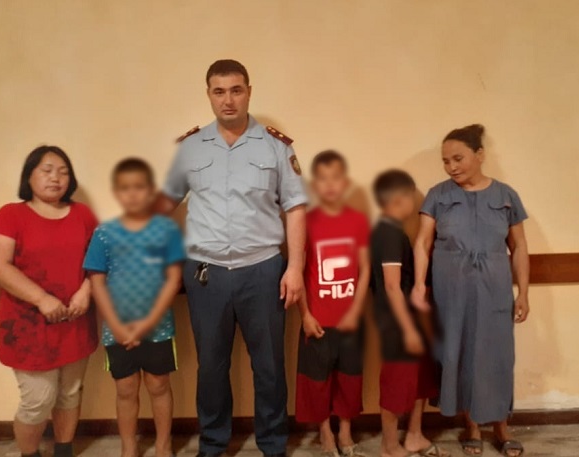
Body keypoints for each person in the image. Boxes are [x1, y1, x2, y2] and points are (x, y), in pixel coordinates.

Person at [153, 59, 308, 457]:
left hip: (263, 270)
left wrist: (294, 267)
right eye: (219, 91)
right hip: (206, 273)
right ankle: (213, 443)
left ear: (249, 92)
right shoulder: (190, 148)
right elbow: (164, 204)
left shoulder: (276, 146)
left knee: (269, 366)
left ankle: (273, 444)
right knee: (211, 367)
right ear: (208, 95)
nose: (228, 100)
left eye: (236, 90)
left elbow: (295, 208)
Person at [411, 124, 530, 457]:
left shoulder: (506, 196)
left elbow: (519, 246)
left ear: (479, 155)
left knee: (497, 356)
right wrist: (419, 285)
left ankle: (502, 428)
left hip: (494, 289)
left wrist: (523, 292)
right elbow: (422, 243)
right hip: (451, 290)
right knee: (459, 353)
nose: (451, 167)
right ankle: (472, 426)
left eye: (458, 158)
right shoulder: (437, 195)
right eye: (445, 161)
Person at [0, 146, 98, 457]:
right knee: (37, 399)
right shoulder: (10, 215)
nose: (55, 177)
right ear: (29, 176)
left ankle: (64, 449)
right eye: (46, 170)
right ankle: (29, 453)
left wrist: (87, 289)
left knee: (70, 393)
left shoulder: (83, 215)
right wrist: (42, 298)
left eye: (63, 172)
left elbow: (102, 258)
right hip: (28, 326)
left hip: (75, 321)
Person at [83, 158, 185, 457]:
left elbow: (173, 280)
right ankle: (129, 446)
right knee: (125, 389)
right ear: (117, 192)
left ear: (151, 191)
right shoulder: (104, 233)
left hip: (158, 328)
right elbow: (97, 282)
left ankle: (164, 444)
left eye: (139, 187)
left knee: (159, 386)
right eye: (125, 188)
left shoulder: (166, 232)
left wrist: (147, 323)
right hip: (117, 331)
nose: (133, 194)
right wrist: (116, 325)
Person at [295, 151, 370, 457]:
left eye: (335, 178)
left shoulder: (358, 221)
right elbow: (298, 272)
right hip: (318, 320)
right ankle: (325, 432)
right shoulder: (306, 222)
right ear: (315, 185)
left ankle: (345, 431)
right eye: (322, 179)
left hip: (350, 321)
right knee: (317, 381)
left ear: (345, 182)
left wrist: (355, 312)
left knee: (349, 379)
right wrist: (305, 315)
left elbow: (365, 269)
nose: (329, 185)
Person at [369, 170, 449, 457]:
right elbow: (392, 287)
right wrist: (408, 329)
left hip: (407, 318)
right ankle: (389, 445)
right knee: (396, 382)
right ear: (398, 198)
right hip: (396, 322)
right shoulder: (388, 234)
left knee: (421, 377)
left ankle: (414, 435)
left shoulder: (391, 231)